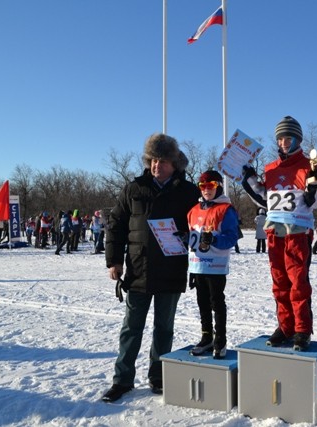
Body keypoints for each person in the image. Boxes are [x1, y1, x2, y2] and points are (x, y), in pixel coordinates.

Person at [102, 133, 200, 403]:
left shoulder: (188, 191)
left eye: (163, 161)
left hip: (171, 268)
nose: (157, 166)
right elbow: (116, 225)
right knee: (131, 328)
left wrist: (188, 237)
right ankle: (122, 380)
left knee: (164, 328)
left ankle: (158, 377)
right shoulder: (134, 188)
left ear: (174, 163)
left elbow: (202, 224)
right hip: (137, 269)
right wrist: (114, 261)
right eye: (153, 160)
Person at [241, 115, 317, 351]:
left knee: (298, 282)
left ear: (297, 139)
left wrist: (314, 188)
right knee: (279, 282)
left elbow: (316, 203)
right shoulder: (271, 168)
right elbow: (263, 198)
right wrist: (248, 178)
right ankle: (285, 325)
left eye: (288, 137)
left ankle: (301, 329)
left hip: (298, 232)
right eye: (280, 138)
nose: (284, 142)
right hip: (274, 232)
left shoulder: (308, 166)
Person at [186, 170, 239, 359]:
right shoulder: (193, 210)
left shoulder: (225, 209)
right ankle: (206, 336)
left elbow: (232, 237)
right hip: (197, 265)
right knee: (202, 303)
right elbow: (192, 238)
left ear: (218, 187)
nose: (206, 190)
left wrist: (214, 240)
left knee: (216, 302)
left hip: (216, 266)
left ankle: (220, 339)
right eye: (203, 187)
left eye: (211, 186)